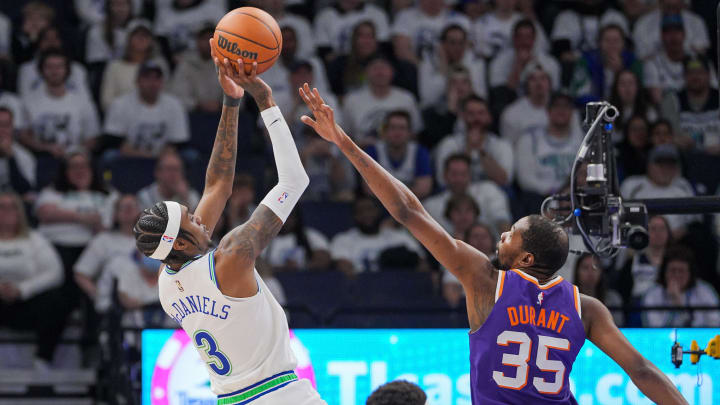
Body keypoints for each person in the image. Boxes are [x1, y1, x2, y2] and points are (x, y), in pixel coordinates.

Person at [299, 83, 687, 404]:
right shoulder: (586, 308)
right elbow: (641, 370)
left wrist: (343, 142)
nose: (501, 235)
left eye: (510, 235)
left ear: (526, 256)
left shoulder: (486, 280)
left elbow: (407, 211)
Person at [133, 44, 325, 403]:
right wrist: (265, 100)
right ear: (179, 242)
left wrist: (232, 101)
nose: (200, 218)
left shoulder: (168, 282)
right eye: (192, 219)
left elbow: (218, 185)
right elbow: (294, 181)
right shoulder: (233, 254)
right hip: (279, 394)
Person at [0, 191, 69, 370]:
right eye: (2, 207)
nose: (6, 211)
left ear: (19, 212)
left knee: (58, 299)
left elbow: (55, 272)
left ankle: (42, 359)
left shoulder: (35, 239)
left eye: (12, 207)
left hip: (27, 303)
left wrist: (22, 289)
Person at [35, 150, 114, 278]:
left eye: (84, 166)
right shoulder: (54, 192)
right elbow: (45, 213)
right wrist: (81, 217)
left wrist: (96, 224)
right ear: (65, 172)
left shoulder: (107, 195)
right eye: (74, 167)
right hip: (56, 245)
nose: (79, 171)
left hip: (91, 248)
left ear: (92, 170)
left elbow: (110, 226)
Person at [21, 50, 101, 157]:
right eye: (49, 67)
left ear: (67, 70)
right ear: (41, 70)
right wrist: (45, 148)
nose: (54, 71)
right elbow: (23, 136)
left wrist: (74, 152)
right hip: (40, 156)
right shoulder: (28, 101)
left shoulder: (83, 102)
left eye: (59, 67)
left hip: (75, 159)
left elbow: (93, 138)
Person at [103, 62, 189, 158]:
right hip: (129, 156)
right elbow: (115, 141)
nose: (152, 83)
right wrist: (144, 156)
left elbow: (177, 142)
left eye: (157, 78)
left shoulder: (174, 104)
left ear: (162, 82)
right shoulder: (120, 104)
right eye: (147, 78)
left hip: (163, 158)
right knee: (109, 156)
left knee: (190, 156)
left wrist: (159, 159)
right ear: (137, 81)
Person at [74, 194, 140, 312]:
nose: (128, 209)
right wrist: (100, 296)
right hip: (114, 307)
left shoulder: (155, 240)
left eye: (133, 206)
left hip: (150, 303)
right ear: (114, 214)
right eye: (123, 207)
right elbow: (81, 274)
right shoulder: (103, 240)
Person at [330, 196, 425, 274]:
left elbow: (423, 264)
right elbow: (344, 272)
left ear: (378, 211)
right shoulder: (343, 240)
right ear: (354, 216)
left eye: (370, 209)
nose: (366, 214)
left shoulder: (400, 238)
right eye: (360, 211)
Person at [620, 144, 697, 238]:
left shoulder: (683, 186)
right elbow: (619, 219)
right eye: (660, 164)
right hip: (637, 240)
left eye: (670, 164)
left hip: (675, 244)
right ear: (649, 165)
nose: (665, 169)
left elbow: (693, 223)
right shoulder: (632, 185)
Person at [434, 96, 513, 188]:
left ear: (489, 117)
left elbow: (504, 181)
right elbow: (442, 181)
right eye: (471, 114)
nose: (476, 118)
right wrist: (469, 148)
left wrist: (481, 151)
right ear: (463, 117)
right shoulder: (449, 144)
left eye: (481, 113)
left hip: (490, 195)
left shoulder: (501, 145)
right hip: (456, 195)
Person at [342, 54, 422, 145]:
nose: (380, 72)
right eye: (375, 68)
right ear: (366, 72)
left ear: (392, 72)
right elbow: (345, 135)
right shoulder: (352, 100)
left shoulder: (407, 99)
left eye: (384, 68)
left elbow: (414, 134)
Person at [424, 153, 511, 233]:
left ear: (470, 175)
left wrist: (508, 247)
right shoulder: (431, 206)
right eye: (454, 174)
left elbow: (502, 219)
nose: (459, 179)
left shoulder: (489, 190)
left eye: (463, 174)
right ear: (445, 176)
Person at [100, 20, 169, 111]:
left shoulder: (159, 64)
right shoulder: (114, 66)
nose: (141, 39)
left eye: (145, 36)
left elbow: (166, 96)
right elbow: (106, 101)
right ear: (128, 39)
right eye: (137, 35)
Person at [643, 247, 720, 327]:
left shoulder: (705, 290)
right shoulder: (652, 293)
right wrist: (674, 305)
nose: (677, 275)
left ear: (690, 273)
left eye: (681, 271)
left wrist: (682, 309)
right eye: (673, 270)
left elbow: (716, 323)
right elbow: (653, 328)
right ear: (664, 272)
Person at [365, 110, 432, 199]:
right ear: (385, 132)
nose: (397, 132)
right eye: (393, 128)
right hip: (380, 204)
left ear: (410, 133)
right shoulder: (373, 151)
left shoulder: (419, 152)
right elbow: (369, 189)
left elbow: (424, 189)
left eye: (402, 128)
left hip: (412, 204)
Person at [661, 54, 720, 154]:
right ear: (684, 76)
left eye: (700, 72)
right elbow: (672, 136)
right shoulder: (672, 100)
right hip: (684, 158)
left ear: (709, 75)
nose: (695, 76)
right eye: (691, 73)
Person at [418, 24, 486, 108]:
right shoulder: (428, 62)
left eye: (461, 43)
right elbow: (428, 99)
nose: (458, 48)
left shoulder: (476, 62)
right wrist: (443, 65)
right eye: (452, 43)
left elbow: (481, 96)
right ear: (442, 45)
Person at [488, 19, 560, 94]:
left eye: (528, 37)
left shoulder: (549, 62)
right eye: (520, 37)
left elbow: (553, 92)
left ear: (534, 38)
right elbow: (501, 93)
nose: (524, 41)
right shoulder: (500, 61)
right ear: (514, 39)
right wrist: (519, 65)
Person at [169, 24, 222, 113]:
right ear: (197, 41)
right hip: (193, 116)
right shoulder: (185, 64)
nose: (209, 42)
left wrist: (220, 105)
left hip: (222, 115)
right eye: (204, 38)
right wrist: (198, 105)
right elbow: (178, 96)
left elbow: (238, 98)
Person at [632, 0, 709, 61]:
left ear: (682, 3)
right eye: (668, 6)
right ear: (660, 3)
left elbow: (701, 52)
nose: (671, 10)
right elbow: (641, 55)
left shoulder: (696, 21)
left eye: (675, 7)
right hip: (655, 70)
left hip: (689, 68)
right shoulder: (643, 23)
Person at [313, 0, 390, 61]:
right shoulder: (325, 16)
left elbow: (383, 47)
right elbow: (323, 52)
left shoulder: (377, 14)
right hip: (338, 66)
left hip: (370, 63)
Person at [499, 63, 551, 145]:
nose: (539, 83)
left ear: (549, 83)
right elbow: (508, 147)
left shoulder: (561, 111)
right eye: (533, 79)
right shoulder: (511, 113)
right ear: (526, 84)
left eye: (543, 78)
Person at [264, 210, 331, 272]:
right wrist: (283, 268)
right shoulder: (262, 238)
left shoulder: (310, 235)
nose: (286, 221)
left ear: (296, 219)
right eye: (282, 217)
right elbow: (256, 266)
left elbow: (324, 259)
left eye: (290, 217)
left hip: (304, 278)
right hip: (273, 280)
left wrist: (302, 267)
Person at [136, 149, 200, 210]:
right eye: (169, 169)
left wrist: (184, 198)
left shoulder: (191, 196)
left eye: (176, 169)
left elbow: (194, 220)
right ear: (158, 173)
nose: (173, 174)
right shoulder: (145, 197)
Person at [574, 253, 623, 325]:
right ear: (577, 272)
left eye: (595, 268)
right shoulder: (568, 299)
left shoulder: (613, 299)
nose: (590, 273)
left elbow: (619, 326)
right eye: (585, 268)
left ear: (601, 272)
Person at [0, 107, 35, 195]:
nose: (1, 130)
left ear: (12, 127)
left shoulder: (25, 156)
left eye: (5, 125)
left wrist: (11, 158)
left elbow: (24, 191)